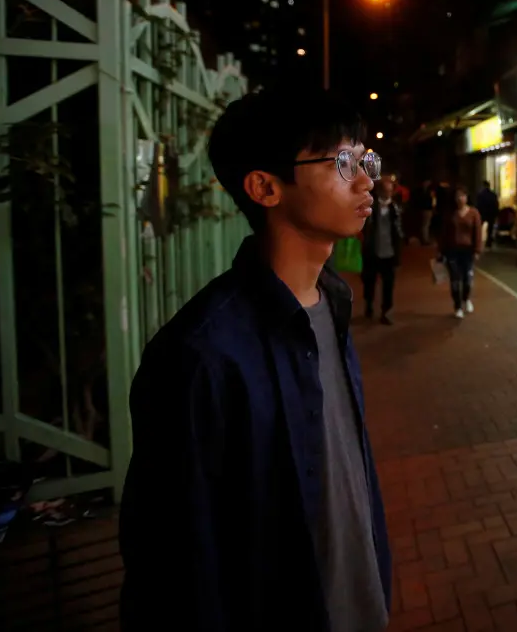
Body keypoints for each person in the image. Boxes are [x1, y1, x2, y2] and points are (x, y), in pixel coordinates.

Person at [118, 88, 391, 632]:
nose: (366, 179)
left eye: (366, 160)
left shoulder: (333, 303)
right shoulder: (200, 353)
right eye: (342, 162)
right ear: (265, 187)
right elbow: (173, 565)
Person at [362, 175, 403, 324]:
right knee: (369, 282)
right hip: (372, 251)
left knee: (388, 284)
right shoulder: (371, 207)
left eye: (390, 191)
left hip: (389, 252)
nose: (388, 194)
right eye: (385, 191)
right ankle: (369, 304)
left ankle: (386, 311)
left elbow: (399, 231)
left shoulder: (395, 208)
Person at [438, 186, 482, 319]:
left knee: (467, 279)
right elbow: (444, 233)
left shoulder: (474, 213)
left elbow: (478, 233)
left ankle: (466, 299)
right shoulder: (450, 214)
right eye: (457, 196)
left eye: (462, 195)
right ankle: (457, 306)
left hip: (467, 251)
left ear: (467, 197)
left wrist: (477, 250)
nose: (460, 198)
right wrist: (440, 251)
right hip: (452, 250)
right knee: (455, 280)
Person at [476, 180, 500, 248]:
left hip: (483, 213)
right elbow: (496, 204)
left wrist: (478, 212)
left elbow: (478, 205)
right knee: (490, 228)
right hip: (491, 213)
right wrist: (496, 213)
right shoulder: (493, 194)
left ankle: (478, 241)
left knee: (479, 227)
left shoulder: (480, 194)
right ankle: (489, 242)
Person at [418, 180, 435, 245]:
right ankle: (425, 239)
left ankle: (424, 238)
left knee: (425, 225)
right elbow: (432, 200)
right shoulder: (427, 192)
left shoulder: (424, 191)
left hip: (426, 209)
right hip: (427, 209)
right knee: (426, 225)